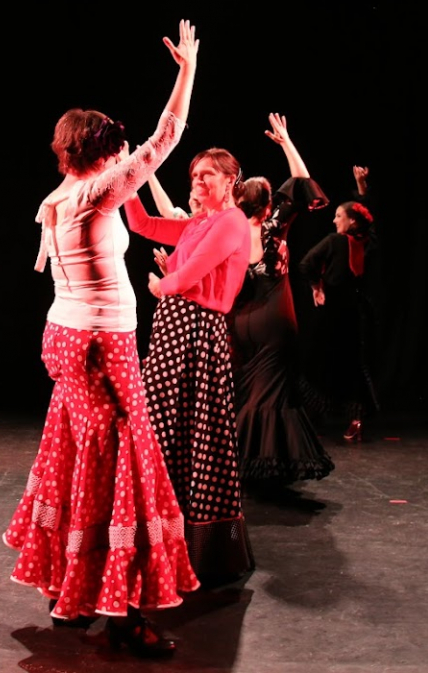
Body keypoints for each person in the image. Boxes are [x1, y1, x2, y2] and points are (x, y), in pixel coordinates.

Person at [4, 19, 201, 658]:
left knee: (79, 457)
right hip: (101, 345)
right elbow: (164, 139)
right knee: (126, 467)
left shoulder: (54, 199)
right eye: (115, 150)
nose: (122, 158)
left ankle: (74, 587)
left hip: (65, 335)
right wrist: (187, 72)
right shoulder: (94, 194)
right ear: (100, 153)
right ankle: (123, 613)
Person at [124, 144, 255, 585]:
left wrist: (162, 286)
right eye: (195, 175)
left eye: (207, 175)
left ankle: (202, 547)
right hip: (175, 330)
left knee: (196, 434)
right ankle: (160, 533)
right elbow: (142, 224)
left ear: (230, 180)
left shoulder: (232, 221)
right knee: (165, 430)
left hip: (197, 332)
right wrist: (129, 178)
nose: (198, 181)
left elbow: (193, 272)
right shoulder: (199, 222)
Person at [231, 113, 333, 489]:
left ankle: (244, 464)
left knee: (250, 392)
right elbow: (303, 181)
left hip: (238, 321)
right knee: (272, 393)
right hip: (274, 319)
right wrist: (287, 142)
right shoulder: (273, 227)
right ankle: (259, 466)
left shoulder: (229, 230)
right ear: (268, 204)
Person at [298, 193, 379, 442]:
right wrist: (362, 191)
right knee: (346, 366)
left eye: (339, 216)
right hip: (349, 316)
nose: (334, 220)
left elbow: (306, 263)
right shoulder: (363, 244)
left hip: (336, 314)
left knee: (327, 364)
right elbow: (370, 225)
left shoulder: (340, 241)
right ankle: (349, 420)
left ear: (352, 221)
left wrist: (316, 286)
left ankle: (319, 419)